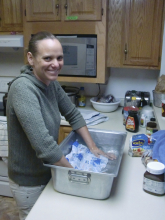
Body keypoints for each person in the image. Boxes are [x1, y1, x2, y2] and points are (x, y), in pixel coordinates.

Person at [6, 31, 114, 220]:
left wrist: (94, 148)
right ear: (31, 58)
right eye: (48, 58)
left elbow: (73, 114)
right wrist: (78, 174)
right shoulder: (23, 89)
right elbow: (45, 147)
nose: (56, 64)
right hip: (30, 183)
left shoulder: (50, 83)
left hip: (49, 172)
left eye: (59, 57)